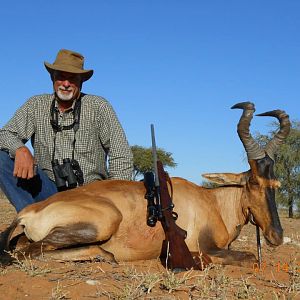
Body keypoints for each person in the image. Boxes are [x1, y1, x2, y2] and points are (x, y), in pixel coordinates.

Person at [0, 49, 133, 212]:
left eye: (72, 78)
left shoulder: (99, 106)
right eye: (60, 77)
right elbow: (5, 134)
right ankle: (30, 219)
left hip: (89, 195)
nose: (66, 83)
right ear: (52, 79)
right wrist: (20, 149)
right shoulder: (36, 104)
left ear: (81, 82)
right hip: (47, 192)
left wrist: (115, 198)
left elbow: (121, 154)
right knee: (2, 158)